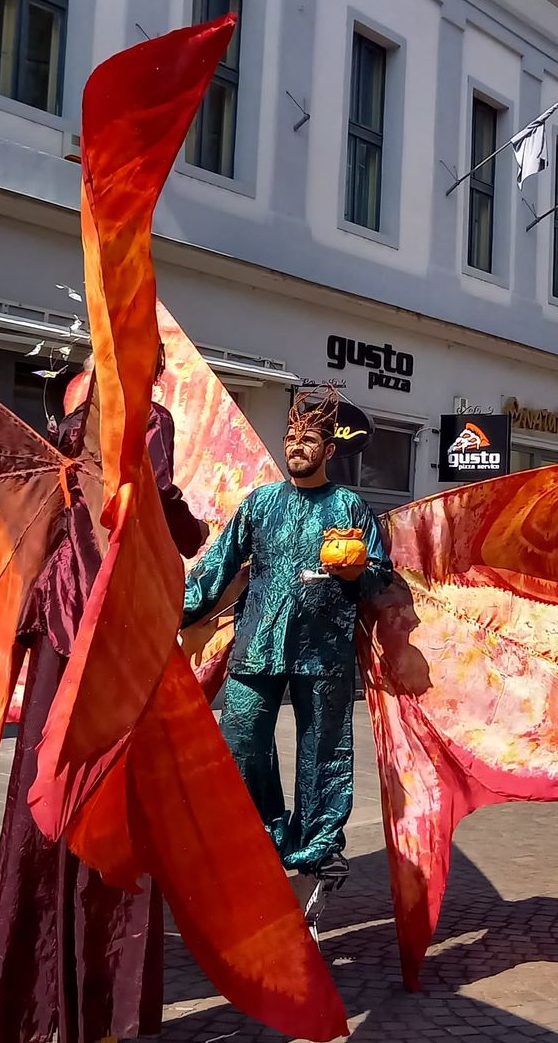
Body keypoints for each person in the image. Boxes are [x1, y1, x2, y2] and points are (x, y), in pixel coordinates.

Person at [0, 397, 205, 1043]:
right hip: (108, 636)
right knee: (102, 816)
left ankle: (20, 1012)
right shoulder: (146, 421)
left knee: (43, 812)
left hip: (69, 629)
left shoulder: (75, 423)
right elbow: (144, 511)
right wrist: (188, 530)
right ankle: (92, 1015)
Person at [181, 385, 393, 903]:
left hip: (324, 653)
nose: (296, 445)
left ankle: (317, 846)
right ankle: (269, 835)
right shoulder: (260, 503)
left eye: (308, 439)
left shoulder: (349, 507)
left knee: (324, 752)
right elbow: (218, 566)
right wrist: (173, 606)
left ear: (329, 450)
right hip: (258, 647)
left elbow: (382, 579)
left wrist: (358, 570)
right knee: (242, 742)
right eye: (291, 437)